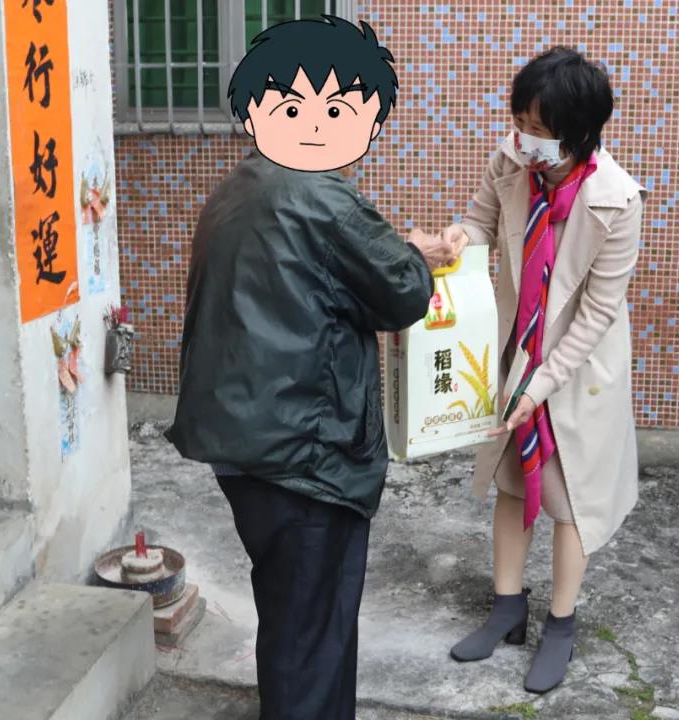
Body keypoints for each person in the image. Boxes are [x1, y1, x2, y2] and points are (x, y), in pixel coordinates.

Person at [164, 16, 454, 719]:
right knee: (311, 636)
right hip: (304, 454)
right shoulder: (323, 198)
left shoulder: (238, 187)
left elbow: (315, 279)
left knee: (292, 617)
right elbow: (402, 293)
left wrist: (396, 250)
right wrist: (419, 253)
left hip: (244, 443)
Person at [441, 47, 646, 694]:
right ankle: (507, 607)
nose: (524, 136)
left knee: (568, 498)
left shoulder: (618, 200)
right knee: (510, 481)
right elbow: (479, 220)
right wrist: (458, 238)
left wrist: (540, 385)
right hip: (515, 348)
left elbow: (596, 314)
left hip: (577, 369)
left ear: (579, 132)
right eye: (520, 121)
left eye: (538, 127)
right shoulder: (511, 160)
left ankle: (561, 622)